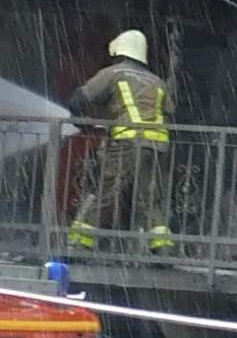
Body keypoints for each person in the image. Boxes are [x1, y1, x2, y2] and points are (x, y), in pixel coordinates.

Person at [65, 28, 175, 253]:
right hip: (157, 146)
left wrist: (82, 122)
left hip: (128, 142)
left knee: (106, 190)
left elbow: (77, 100)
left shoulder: (114, 73)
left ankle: (80, 242)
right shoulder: (157, 82)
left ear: (119, 52)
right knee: (150, 198)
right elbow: (169, 112)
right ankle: (162, 247)